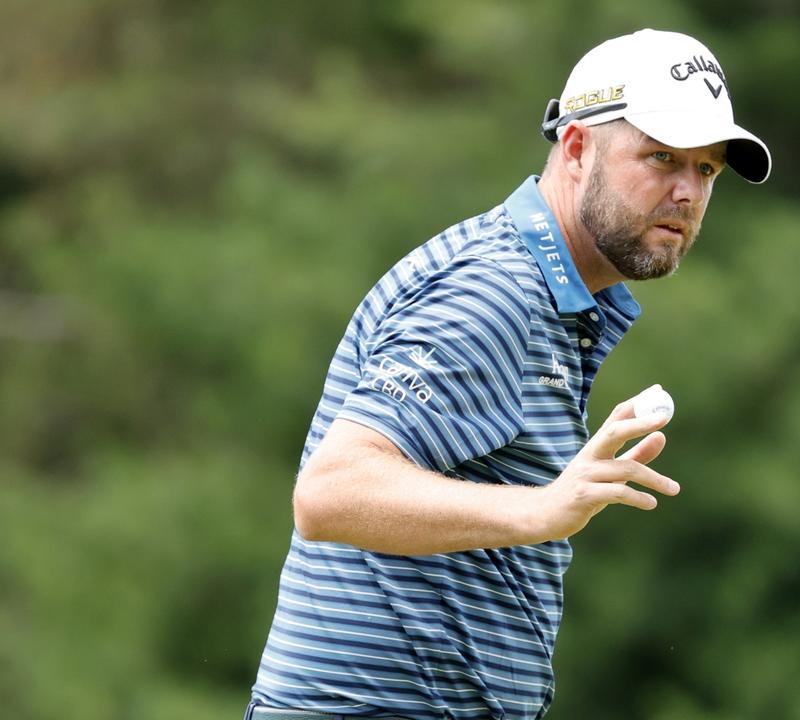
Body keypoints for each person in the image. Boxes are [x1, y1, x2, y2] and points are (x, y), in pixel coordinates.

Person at [246, 28, 770, 720]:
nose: (686, 191)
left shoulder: (552, 293)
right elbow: (329, 493)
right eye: (662, 157)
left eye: (706, 170)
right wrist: (540, 508)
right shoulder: (498, 290)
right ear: (578, 149)